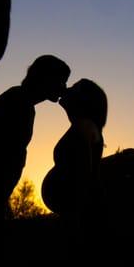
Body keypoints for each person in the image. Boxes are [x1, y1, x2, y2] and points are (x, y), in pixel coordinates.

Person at [0, 54, 71, 224]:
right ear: (47, 78)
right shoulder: (19, 103)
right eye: (61, 80)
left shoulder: (19, 100)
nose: (63, 87)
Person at [41, 78, 108, 242]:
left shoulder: (84, 126)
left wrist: (74, 220)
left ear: (84, 100)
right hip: (71, 214)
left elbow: (84, 174)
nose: (67, 89)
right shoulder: (83, 125)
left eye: (74, 87)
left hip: (74, 218)